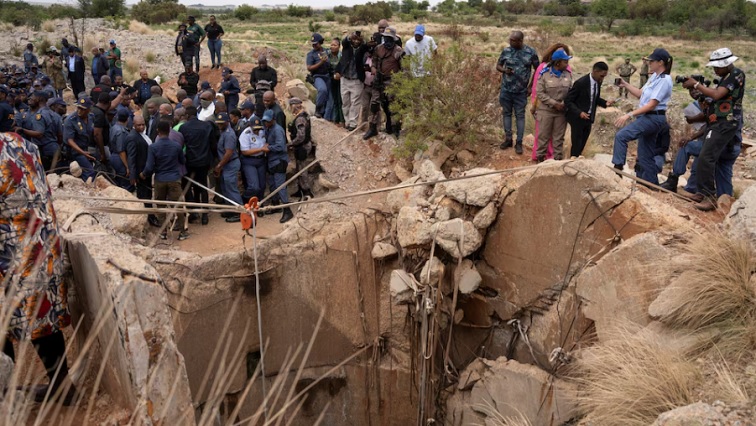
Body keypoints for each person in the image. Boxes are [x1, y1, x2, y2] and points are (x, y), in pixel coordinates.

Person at [0, 131, 76, 405]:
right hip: (42, 246)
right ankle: (61, 387)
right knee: (42, 321)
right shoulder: (19, 142)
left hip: (12, 255)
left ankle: (4, 396)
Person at [682, 48, 745, 211]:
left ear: (726, 63)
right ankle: (703, 192)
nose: (715, 70)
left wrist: (697, 84)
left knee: (706, 157)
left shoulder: (736, 75)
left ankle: (709, 195)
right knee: (707, 157)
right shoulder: (725, 77)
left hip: (726, 123)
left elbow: (717, 95)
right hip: (717, 123)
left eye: (717, 66)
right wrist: (698, 93)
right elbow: (713, 103)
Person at [612, 48, 673, 186]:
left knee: (622, 136)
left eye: (652, 61)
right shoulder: (654, 77)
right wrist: (625, 84)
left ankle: (618, 170)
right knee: (645, 157)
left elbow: (652, 104)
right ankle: (653, 186)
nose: (649, 63)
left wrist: (629, 114)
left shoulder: (665, 79)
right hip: (648, 117)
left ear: (660, 62)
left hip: (653, 118)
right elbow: (640, 94)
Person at [141, 119, 188, 240]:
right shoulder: (176, 146)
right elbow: (182, 161)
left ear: (157, 131)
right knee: (178, 205)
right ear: (169, 130)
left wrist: (144, 174)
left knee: (161, 206)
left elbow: (150, 167)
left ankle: (164, 232)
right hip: (174, 179)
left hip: (160, 180)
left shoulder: (153, 147)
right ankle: (182, 232)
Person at [497, 31, 540, 153]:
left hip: (521, 91)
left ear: (520, 41)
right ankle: (508, 139)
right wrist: (505, 70)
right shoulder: (506, 51)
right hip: (506, 89)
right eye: (510, 40)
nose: (510, 42)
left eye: (513, 40)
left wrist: (531, 87)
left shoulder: (530, 52)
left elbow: (538, 71)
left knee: (520, 116)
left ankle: (519, 143)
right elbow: (498, 66)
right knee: (506, 114)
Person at [529, 43, 571, 161]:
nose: (567, 64)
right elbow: (540, 92)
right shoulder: (544, 74)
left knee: (558, 139)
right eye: (565, 61)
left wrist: (564, 103)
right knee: (543, 137)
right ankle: (540, 161)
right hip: (545, 111)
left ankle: (557, 162)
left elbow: (570, 91)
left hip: (561, 112)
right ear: (558, 62)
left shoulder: (568, 74)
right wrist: (554, 103)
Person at [565, 61, 614, 158]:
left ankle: (578, 161)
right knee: (576, 144)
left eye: (604, 76)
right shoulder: (580, 83)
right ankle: (572, 163)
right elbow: (568, 100)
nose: (602, 78)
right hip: (578, 119)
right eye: (601, 76)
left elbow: (594, 98)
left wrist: (605, 103)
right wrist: (579, 112)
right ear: (595, 71)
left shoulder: (598, 83)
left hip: (589, 118)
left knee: (582, 143)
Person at [363, 27, 404, 140]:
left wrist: (400, 81)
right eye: (386, 38)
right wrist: (373, 68)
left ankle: (395, 129)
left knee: (393, 106)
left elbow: (404, 68)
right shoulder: (378, 48)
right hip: (378, 80)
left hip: (392, 81)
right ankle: (373, 128)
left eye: (390, 39)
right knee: (375, 104)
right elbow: (375, 61)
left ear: (394, 39)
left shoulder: (398, 51)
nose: (387, 41)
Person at [179, 105, 216, 225]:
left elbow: (181, 145)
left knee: (188, 186)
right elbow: (212, 145)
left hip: (190, 161)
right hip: (204, 161)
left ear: (187, 116)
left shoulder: (183, 128)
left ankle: (193, 212)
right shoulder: (206, 126)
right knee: (203, 187)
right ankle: (205, 215)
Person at [124, 115, 158, 227]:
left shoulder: (143, 135)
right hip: (140, 172)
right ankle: (149, 217)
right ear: (134, 125)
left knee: (147, 194)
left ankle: (149, 216)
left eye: (143, 124)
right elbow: (131, 158)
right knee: (144, 196)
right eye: (139, 125)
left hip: (147, 171)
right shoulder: (132, 137)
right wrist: (133, 176)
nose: (142, 127)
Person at [15, 91, 62, 171]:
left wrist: (22, 130)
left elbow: (39, 134)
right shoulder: (55, 115)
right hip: (54, 149)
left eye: (33, 96)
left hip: (42, 150)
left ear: (39, 99)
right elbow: (60, 135)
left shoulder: (39, 115)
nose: (31, 98)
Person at [262, 109, 293, 223]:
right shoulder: (269, 128)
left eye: (268, 121)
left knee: (280, 186)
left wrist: (268, 147)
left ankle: (287, 209)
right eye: (265, 121)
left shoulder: (277, 130)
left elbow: (281, 146)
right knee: (272, 184)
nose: (266, 123)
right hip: (272, 161)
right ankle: (275, 205)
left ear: (273, 120)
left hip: (279, 161)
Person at [336, 31, 368, 131]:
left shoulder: (363, 49)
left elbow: (366, 46)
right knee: (345, 102)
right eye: (354, 39)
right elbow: (344, 41)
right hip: (345, 79)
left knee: (355, 103)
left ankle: (353, 124)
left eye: (358, 39)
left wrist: (363, 40)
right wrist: (350, 37)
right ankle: (347, 122)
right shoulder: (347, 47)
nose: (355, 41)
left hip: (356, 80)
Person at [214, 112, 242, 222]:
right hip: (226, 164)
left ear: (227, 122)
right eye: (218, 123)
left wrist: (219, 166)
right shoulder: (223, 132)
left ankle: (239, 211)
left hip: (230, 163)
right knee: (225, 188)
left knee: (231, 188)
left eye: (222, 123)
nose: (219, 125)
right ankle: (231, 208)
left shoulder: (229, 134)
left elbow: (228, 153)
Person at [288, 97, 315, 201]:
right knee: (299, 168)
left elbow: (301, 136)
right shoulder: (304, 115)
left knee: (302, 170)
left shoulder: (300, 118)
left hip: (302, 146)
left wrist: (291, 144)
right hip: (302, 145)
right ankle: (300, 190)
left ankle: (306, 192)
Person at [63, 97, 96, 181]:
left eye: (83, 109)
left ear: (88, 110)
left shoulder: (91, 117)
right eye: (78, 108)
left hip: (86, 148)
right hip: (75, 151)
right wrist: (83, 153)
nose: (79, 111)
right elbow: (70, 141)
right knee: (90, 172)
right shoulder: (70, 120)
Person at [239, 117, 267, 204]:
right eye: (255, 129)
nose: (257, 131)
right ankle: (244, 199)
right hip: (249, 161)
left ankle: (259, 204)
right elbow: (245, 151)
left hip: (261, 160)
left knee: (262, 186)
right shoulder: (245, 134)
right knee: (254, 187)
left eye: (258, 129)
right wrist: (261, 149)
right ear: (250, 126)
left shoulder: (262, 131)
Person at [306, 33, 331, 119]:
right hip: (317, 76)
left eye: (316, 44)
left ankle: (326, 115)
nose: (314, 46)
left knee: (329, 96)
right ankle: (318, 109)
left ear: (320, 42)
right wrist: (321, 62)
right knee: (322, 90)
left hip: (328, 76)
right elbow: (309, 67)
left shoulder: (327, 51)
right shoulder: (311, 54)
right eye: (313, 44)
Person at [110, 109, 131, 189]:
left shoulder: (114, 127)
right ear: (127, 119)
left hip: (114, 156)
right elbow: (121, 151)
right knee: (125, 184)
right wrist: (127, 166)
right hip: (120, 159)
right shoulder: (122, 132)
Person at [325, 38, 344, 126]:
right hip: (331, 79)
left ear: (339, 46)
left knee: (340, 100)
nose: (332, 47)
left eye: (335, 45)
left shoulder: (341, 56)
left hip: (340, 79)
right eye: (331, 45)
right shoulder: (327, 55)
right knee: (334, 100)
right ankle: (336, 119)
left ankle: (342, 120)